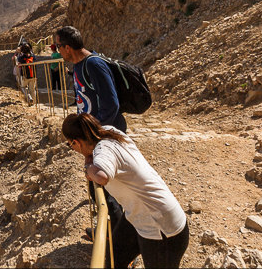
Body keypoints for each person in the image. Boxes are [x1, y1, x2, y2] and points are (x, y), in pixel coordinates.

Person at [63, 112, 190, 269]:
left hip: (162, 229)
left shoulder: (104, 152)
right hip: (141, 215)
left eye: (70, 144)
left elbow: (102, 177)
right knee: (113, 260)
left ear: (76, 142)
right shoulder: (108, 132)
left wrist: (89, 169)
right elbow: (95, 156)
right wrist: (88, 157)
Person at [53, 25, 126, 132]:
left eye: (58, 46)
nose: (58, 51)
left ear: (67, 48)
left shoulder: (93, 64)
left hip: (106, 133)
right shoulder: (78, 65)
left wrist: (93, 130)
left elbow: (111, 105)